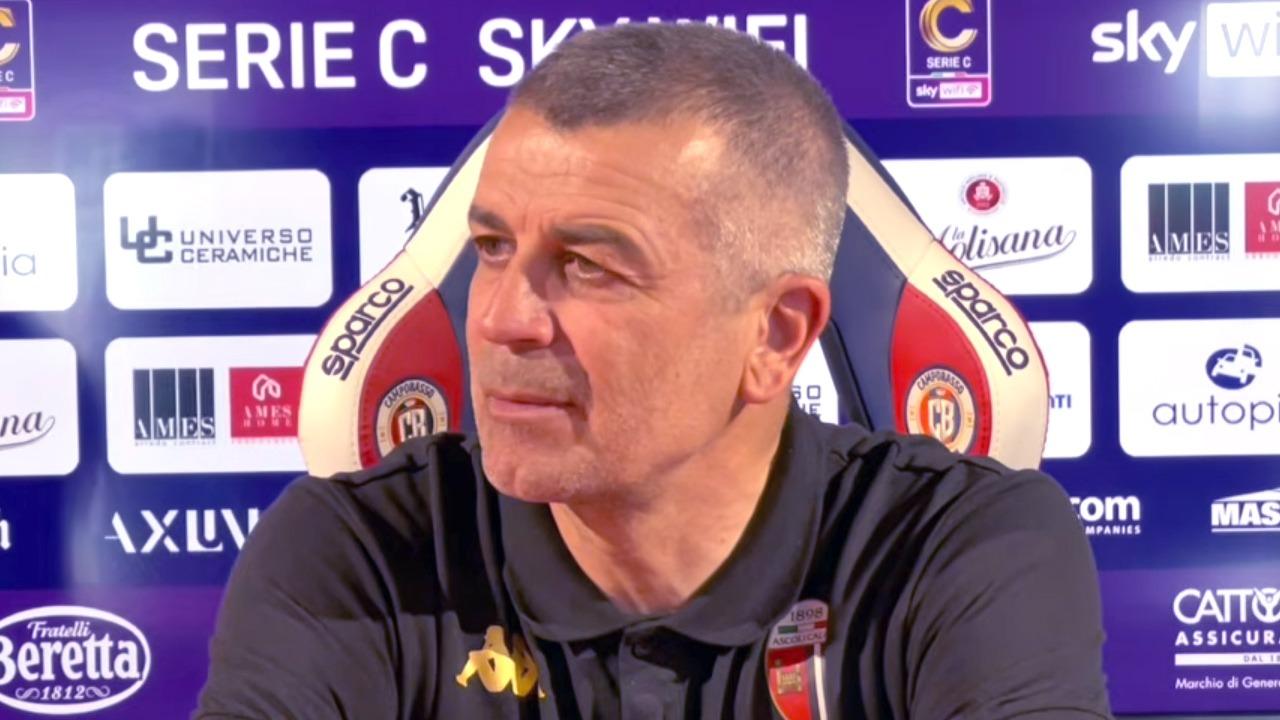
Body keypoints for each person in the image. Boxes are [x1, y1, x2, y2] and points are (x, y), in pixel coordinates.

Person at [195, 22, 1112, 720]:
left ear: (775, 335)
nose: (502, 318)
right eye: (493, 247)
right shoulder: (356, 553)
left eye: (587, 265)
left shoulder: (963, 549)